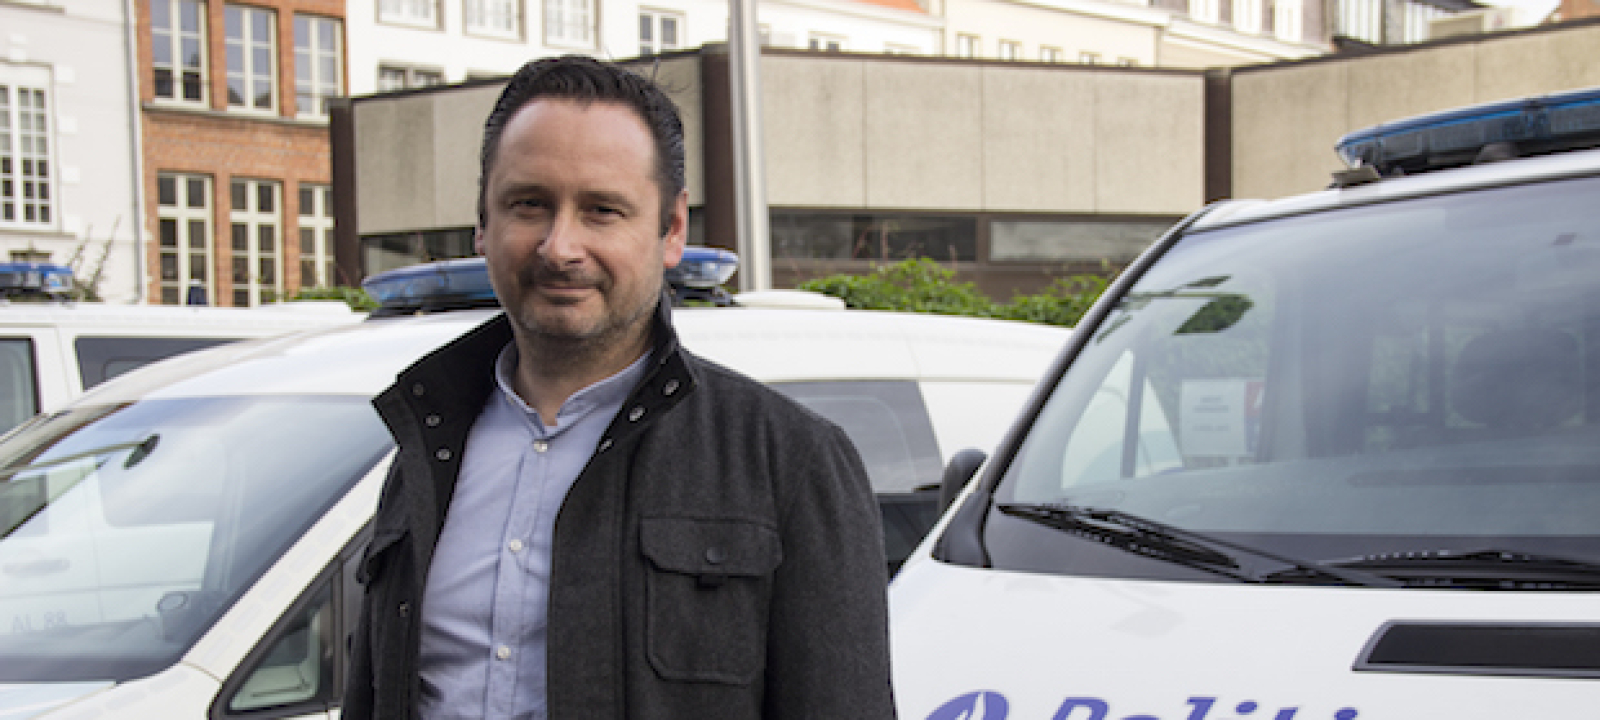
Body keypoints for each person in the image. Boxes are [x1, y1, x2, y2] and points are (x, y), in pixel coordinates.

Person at [343, 55, 897, 720]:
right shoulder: (426, 450)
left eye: (602, 210)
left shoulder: (790, 465)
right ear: (483, 225)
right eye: (529, 204)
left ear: (672, 230)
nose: (559, 247)